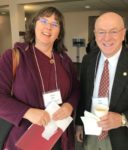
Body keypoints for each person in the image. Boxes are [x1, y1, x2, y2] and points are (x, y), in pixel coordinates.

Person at [0, 7, 79, 150]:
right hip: (24, 139)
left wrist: (69, 105)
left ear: (59, 33)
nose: (48, 27)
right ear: (34, 25)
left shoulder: (64, 60)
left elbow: (76, 89)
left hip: (60, 137)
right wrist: (27, 112)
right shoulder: (13, 57)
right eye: (43, 21)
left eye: (55, 24)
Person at [75, 12, 128, 150]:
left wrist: (123, 119)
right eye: (101, 32)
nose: (107, 38)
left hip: (123, 138)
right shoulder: (88, 60)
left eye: (113, 31)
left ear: (123, 34)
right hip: (91, 133)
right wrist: (79, 123)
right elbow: (83, 95)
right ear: (95, 35)